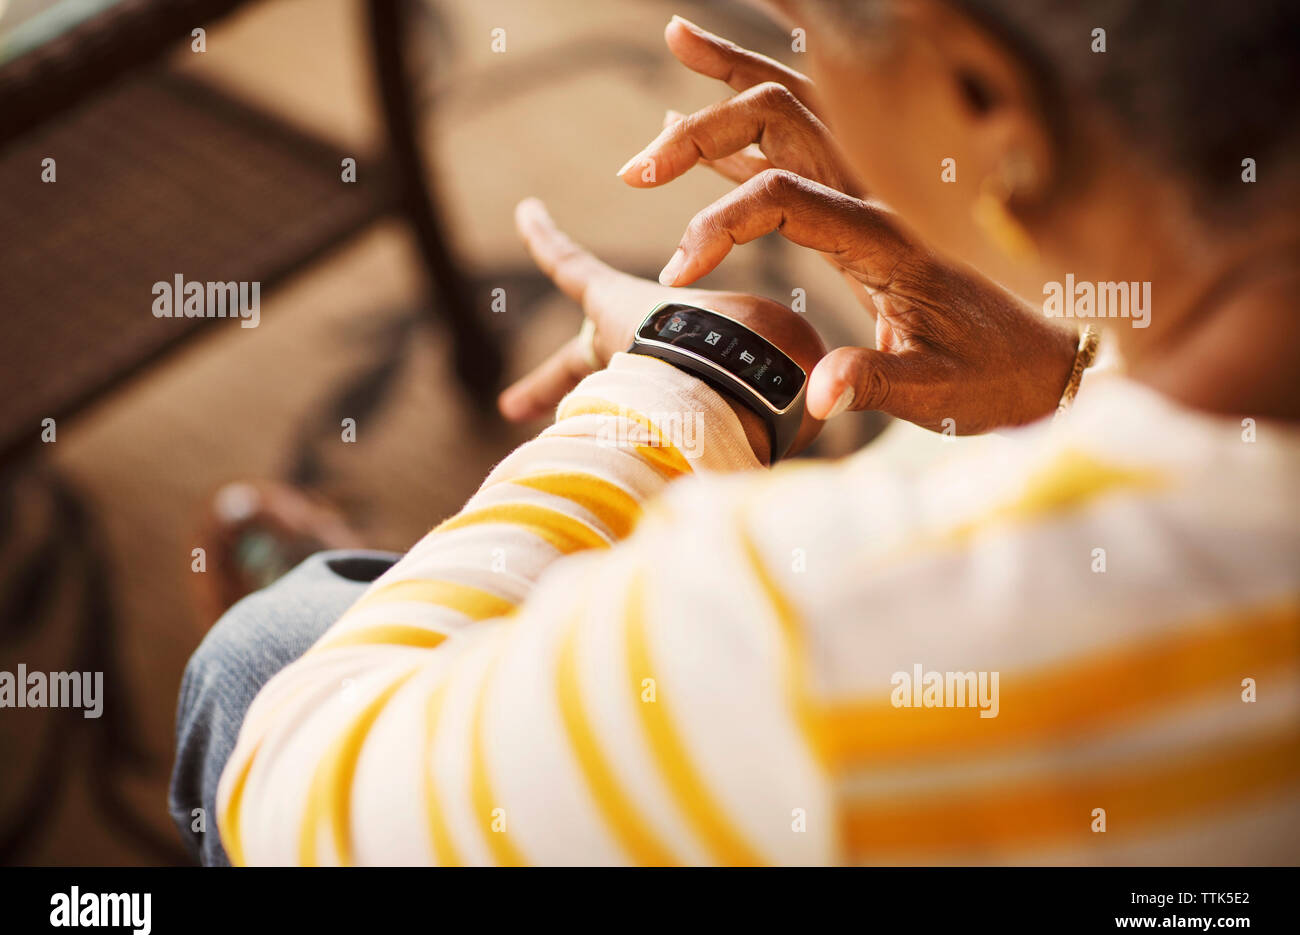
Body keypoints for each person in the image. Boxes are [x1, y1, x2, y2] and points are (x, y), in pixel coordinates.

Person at [171, 2, 1300, 865]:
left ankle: (376, 597)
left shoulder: (818, 628)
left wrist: (688, 369)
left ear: (982, 97)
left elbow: (304, 794)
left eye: (807, 25)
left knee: (269, 655)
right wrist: (1069, 354)